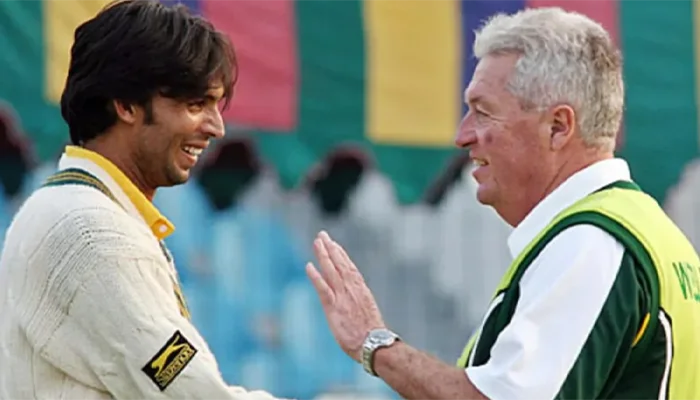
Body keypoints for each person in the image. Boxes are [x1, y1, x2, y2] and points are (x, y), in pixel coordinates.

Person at [306, 7, 700, 400]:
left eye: (482, 112)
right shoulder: (650, 236)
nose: (462, 136)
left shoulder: (591, 241)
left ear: (559, 126)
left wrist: (375, 345)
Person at [0, 1, 287, 399]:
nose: (216, 128)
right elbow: (189, 388)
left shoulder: (69, 209)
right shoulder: (92, 233)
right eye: (195, 105)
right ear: (126, 105)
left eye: (216, 106)